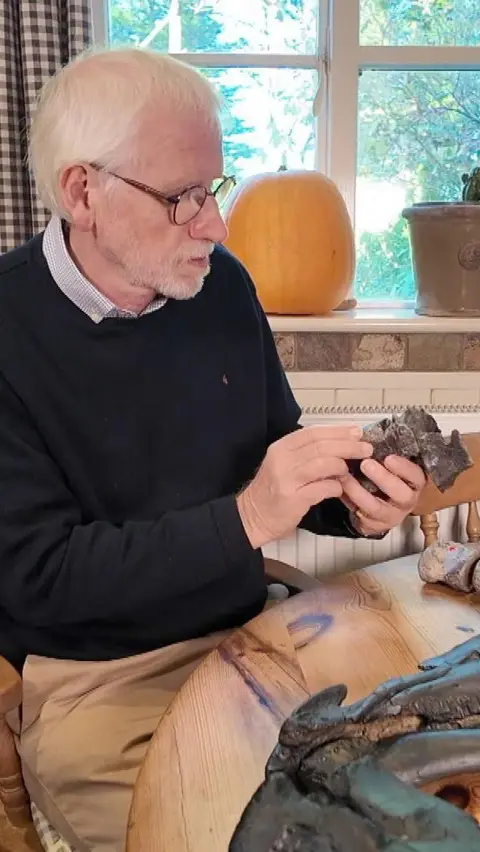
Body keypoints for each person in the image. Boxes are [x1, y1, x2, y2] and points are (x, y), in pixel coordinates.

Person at [0, 46, 425, 851]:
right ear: (82, 192)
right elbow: (41, 580)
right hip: (100, 685)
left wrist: (358, 501)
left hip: (254, 638)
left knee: (398, 809)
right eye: (182, 197)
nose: (216, 225)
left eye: (215, 187)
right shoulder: (8, 329)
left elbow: (269, 456)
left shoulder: (219, 283)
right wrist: (247, 518)